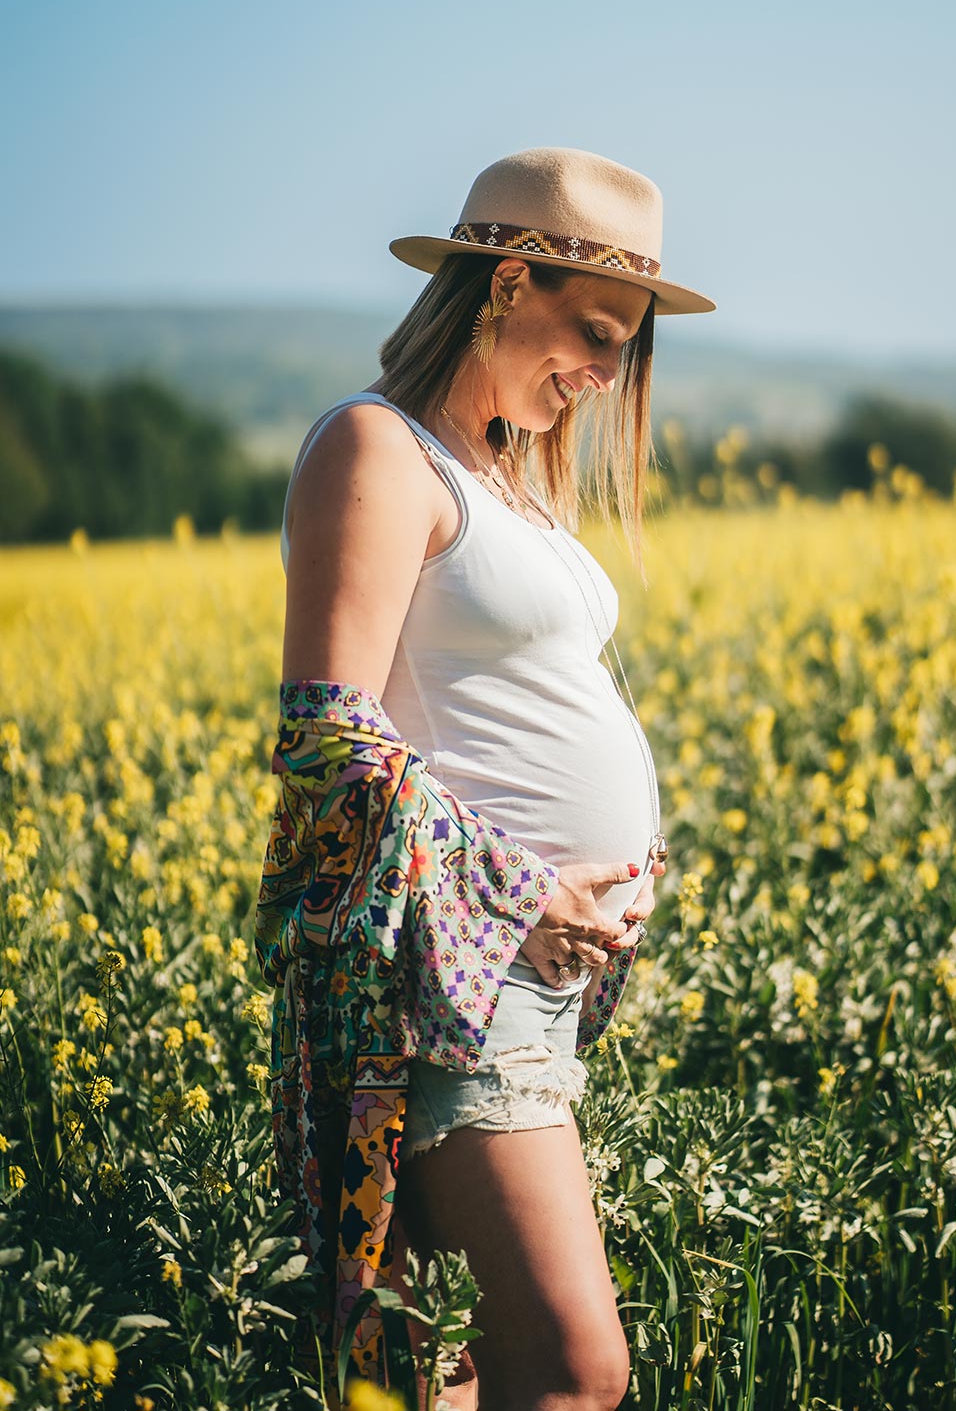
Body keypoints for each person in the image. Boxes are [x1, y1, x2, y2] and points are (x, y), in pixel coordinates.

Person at [254, 147, 716, 1410]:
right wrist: (524, 892)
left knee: (465, 1370)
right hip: (455, 980)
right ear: (507, 281)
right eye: (598, 332)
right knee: (574, 1367)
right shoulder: (376, 449)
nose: (606, 373)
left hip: (536, 978)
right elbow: (325, 741)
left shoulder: (503, 476)